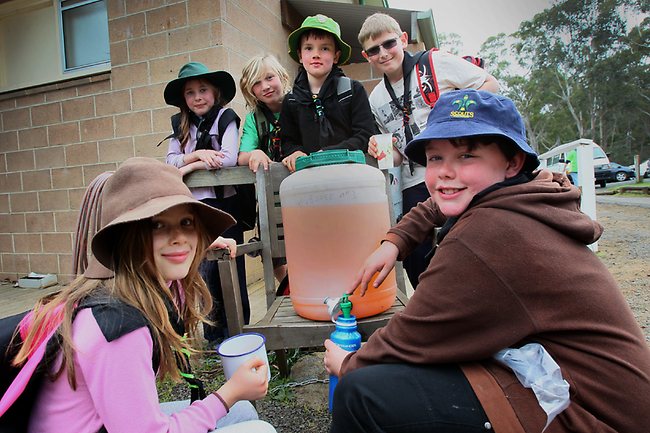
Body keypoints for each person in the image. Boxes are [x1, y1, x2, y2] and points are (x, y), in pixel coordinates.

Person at [324, 90, 650, 433]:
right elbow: (444, 197)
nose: (446, 172)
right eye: (435, 158)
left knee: (360, 392)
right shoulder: (526, 193)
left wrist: (348, 363)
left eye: (467, 155)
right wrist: (396, 241)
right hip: (567, 382)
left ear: (512, 162)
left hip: (593, 416)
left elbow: (412, 336)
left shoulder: (488, 233)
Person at [11, 157, 276, 433]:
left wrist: (194, 247)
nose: (179, 238)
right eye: (157, 225)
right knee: (260, 429)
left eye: (187, 223)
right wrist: (228, 393)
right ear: (128, 238)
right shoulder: (119, 326)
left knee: (242, 411)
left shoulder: (118, 287)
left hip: (105, 423)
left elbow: (171, 254)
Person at [358, 12, 500, 287]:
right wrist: (379, 147)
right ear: (367, 57)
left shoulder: (434, 63)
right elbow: (397, 155)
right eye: (374, 50)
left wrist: (454, 120)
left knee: (466, 248)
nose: (383, 54)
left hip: (455, 172)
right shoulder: (375, 98)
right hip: (413, 183)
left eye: (388, 44)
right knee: (417, 261)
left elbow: (490, 85)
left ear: (402, 39)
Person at [164, 61, 248, 343]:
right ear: (183, 100)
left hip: (225, 208)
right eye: (190, 93)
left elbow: (228, 157)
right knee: (204, 268)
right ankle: (213, 334)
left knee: (230, 265)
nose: (197, 97)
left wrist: (190, 166)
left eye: (203, 90)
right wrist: (197, 157)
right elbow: (170, 161)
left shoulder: (226, 118)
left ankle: (238, 329)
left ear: (215, 93)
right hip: (195, 208)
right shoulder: (180, 125)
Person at [280, 14, 377, 172]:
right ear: (300, 55)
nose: (316, 54)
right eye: (309, 48)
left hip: (351, 176)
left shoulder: (353, 91)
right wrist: (294, 152)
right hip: (309, 180)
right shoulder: (291, 100)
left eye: (325, 48)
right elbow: (288, 141)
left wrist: (329, 154)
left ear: (336, 56)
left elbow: (365, 134)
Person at [238, 54, 290, 284]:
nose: (265, 86)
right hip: (271, 200)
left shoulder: (300, 104)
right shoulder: (254, 119)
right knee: (276, 257)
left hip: (303, 195)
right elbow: (242, 156)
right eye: (257, 83)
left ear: (282, 77)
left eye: (269, 77)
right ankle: (291, 292)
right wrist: (255, 153)